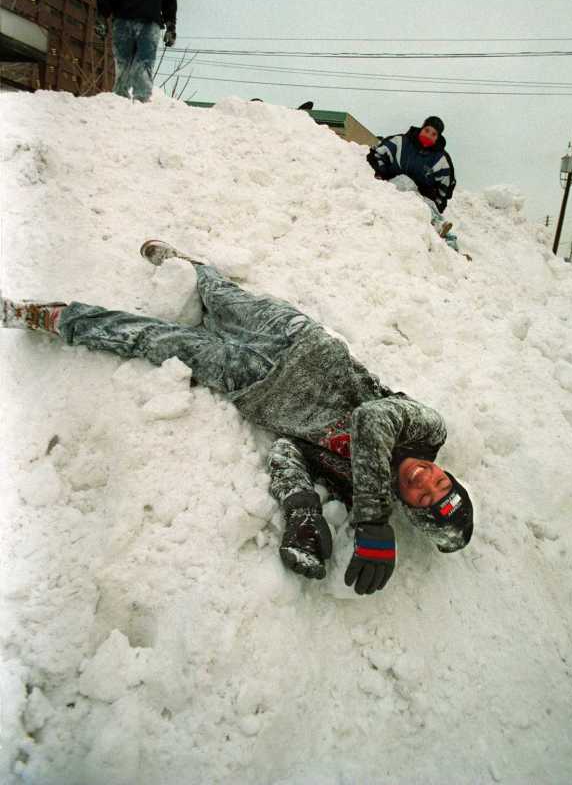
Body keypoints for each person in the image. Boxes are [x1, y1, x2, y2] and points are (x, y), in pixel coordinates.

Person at [1, 240, 473, 595]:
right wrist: (373, 519)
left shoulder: (355, 488)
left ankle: (54, 318)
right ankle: (184, 266)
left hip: (254, 385)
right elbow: (373, 419)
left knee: (158, 341)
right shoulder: (426, 430)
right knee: (221, 295)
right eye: (441, 483)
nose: (425, 479)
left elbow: (290, 452)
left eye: (424, 496)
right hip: (296, 339)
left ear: (412, 507)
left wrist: (302, 506)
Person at [367, 116, 459, 250]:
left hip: (421, 197)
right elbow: (376, 154)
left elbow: (445, 187)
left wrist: (437, 204)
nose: (428, 135)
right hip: (395, 188)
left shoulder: (441, 159)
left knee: (428, 205)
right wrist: (382, 173)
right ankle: (436, 225)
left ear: (437, 138)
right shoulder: (401, 142)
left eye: (433, 134)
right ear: (422, 128)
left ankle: (451, 246)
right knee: (406, 182)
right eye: (427, 130)